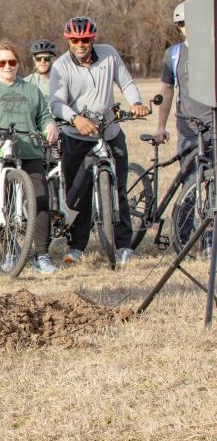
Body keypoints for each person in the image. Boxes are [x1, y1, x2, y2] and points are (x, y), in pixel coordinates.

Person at [49, 16, 147, 267]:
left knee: (120, 189)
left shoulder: (109, 55)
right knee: (78, 194)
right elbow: (56, 103)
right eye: (75, 40)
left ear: (93, 39)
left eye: (85, 39)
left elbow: (125, 82)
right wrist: (75, 119)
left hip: (109, 131)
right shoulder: (60, 66)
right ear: (68, 41)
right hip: (76, 136)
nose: (80, 44)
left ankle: (123, 245)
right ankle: (77, 246)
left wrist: (136, 103)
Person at [0, 41, 60, 274]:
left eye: (12, 62)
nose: (7, 66)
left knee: (39, 199)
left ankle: (42, 256)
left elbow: (44, 116)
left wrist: (50, 127)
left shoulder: (31, 90)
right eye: (2, 62)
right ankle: (10, 252)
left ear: (18, 64)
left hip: (29, 152)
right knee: (3, 203)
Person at [156, 3, 209, 165]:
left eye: (190, 21)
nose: (186, 27)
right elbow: (167, 91)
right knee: (190, 182)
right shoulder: (173, 54)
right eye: (181, 23)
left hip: (213, 127)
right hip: (188, 128)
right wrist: (161, 127)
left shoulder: (211, 48)